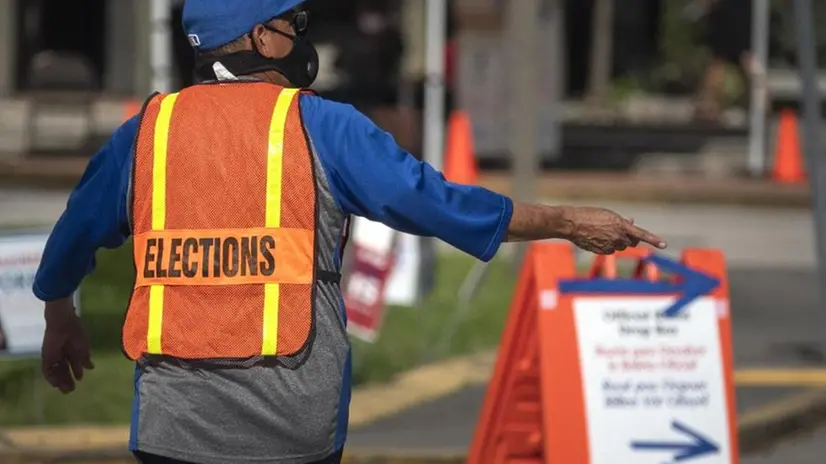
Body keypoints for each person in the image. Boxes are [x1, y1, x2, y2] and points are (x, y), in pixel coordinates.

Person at [33, 1, 667, 463]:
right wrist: (567, 221)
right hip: (291, 429)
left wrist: (60, 315)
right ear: (263, 37)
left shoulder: (146, 132)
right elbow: (439, 204)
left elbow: (74, 234)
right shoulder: (325, 127)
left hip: (173, 429)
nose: (306, 36)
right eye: (296, 23)